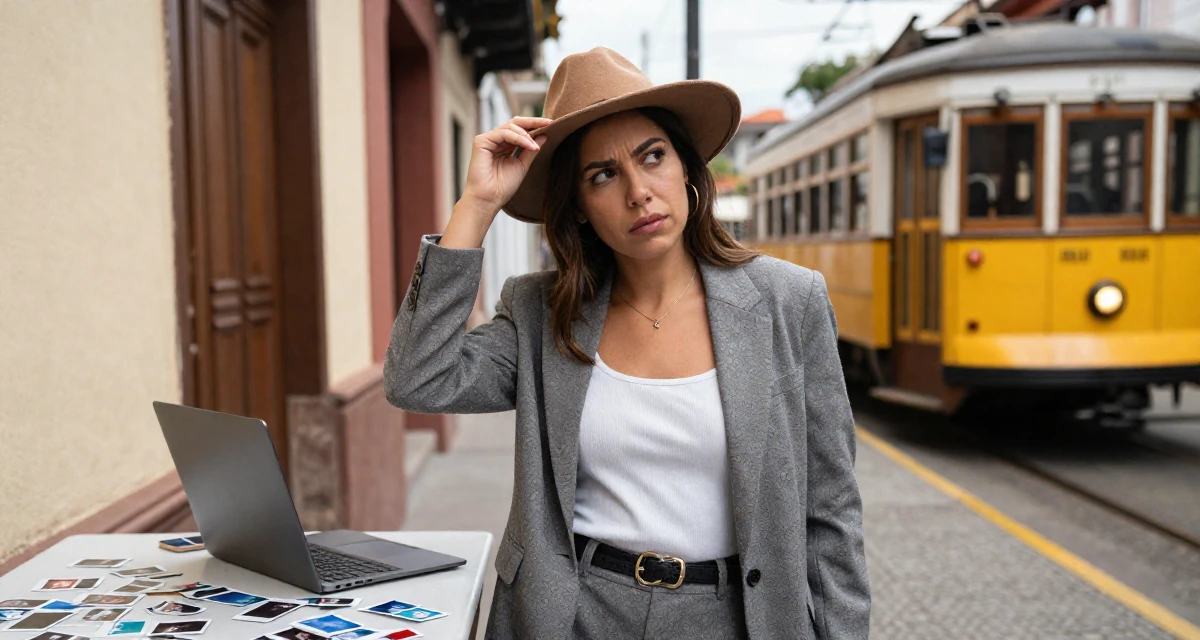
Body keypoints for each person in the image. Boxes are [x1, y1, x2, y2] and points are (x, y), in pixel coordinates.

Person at [384, 47, 869, 639]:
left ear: (687, 169)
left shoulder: (787, 302)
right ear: (581, 208)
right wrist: (476, 205)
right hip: (574, 612)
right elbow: (417, 377)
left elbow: (831, 508)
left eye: (653, 156)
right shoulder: (543, 313)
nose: (638, 191)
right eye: (603, 175)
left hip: (735, 616)